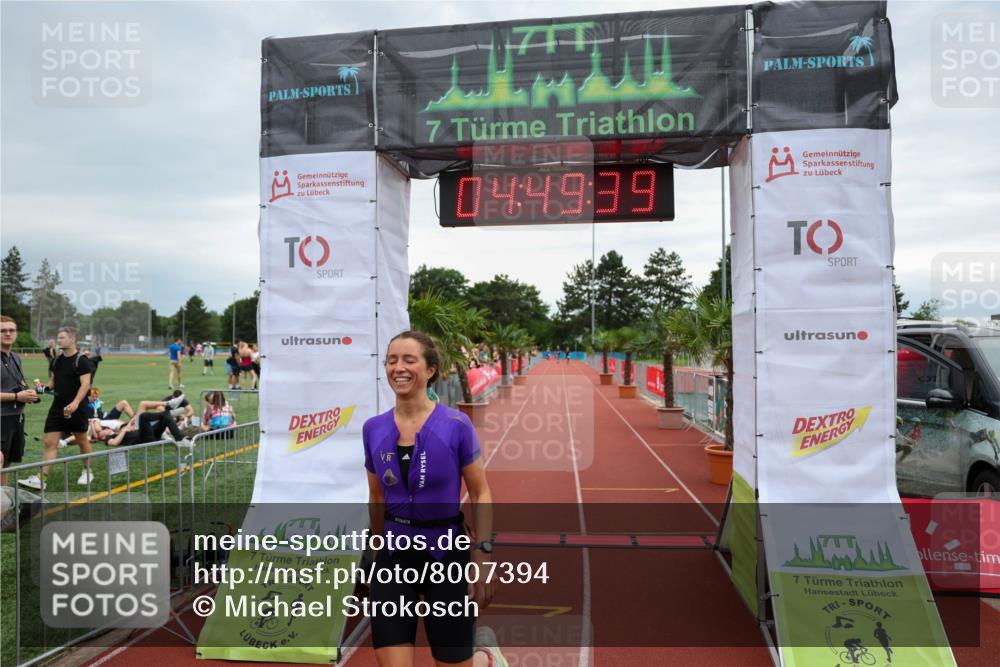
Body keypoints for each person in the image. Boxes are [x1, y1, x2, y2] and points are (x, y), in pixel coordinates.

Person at [363, 330, 506, 667]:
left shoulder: (456, 425)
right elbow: (376, 496)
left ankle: (486, 660)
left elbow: (481, 491)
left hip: (447, 554)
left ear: (430, 370)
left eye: (409, 360)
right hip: (395, 557)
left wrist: (482, 557)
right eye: (392, 360)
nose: (398, 367)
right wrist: (376, 555)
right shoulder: (373, 429)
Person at [19, 327, 96, 490]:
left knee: (82, 439)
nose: (58, 340)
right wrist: (39, 389)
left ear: (72, 339)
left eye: (62, 338)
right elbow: (52, 383)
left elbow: (86, 384)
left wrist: (75, 403)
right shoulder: (57, 360)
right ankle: (42, 479)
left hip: (77, 408)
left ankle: (87, 471)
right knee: (49, 442)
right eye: (58, 337)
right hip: (57, 407)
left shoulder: (81, 360)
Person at [1, 316, 40, 486]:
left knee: (8, 462)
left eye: (11, 330)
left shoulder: (16, 357)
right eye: (3, 330)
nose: (8, 333)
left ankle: (3, 506)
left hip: (16, 417)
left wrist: (28, 393)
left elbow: (18, 383)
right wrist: (17, 397)